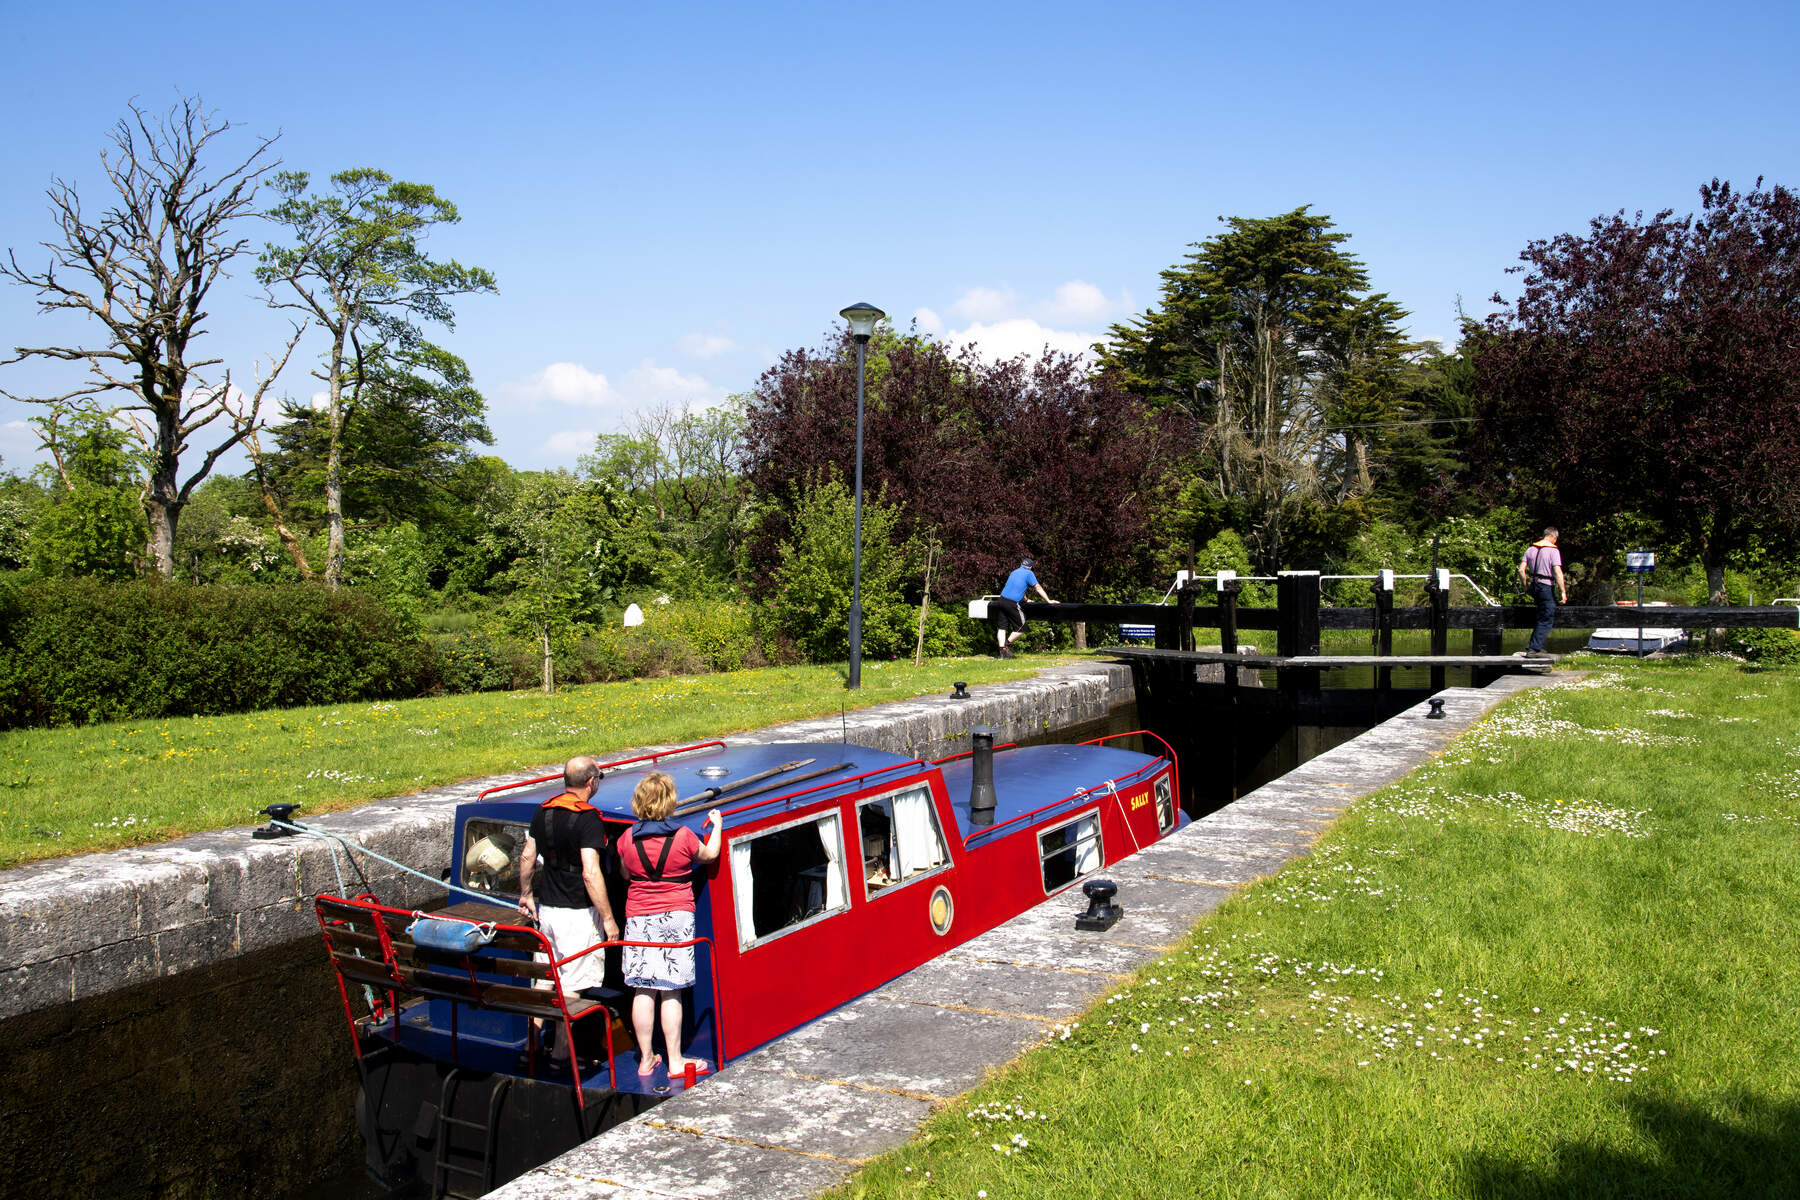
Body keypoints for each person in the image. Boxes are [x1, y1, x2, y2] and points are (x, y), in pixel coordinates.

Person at [615, 772, 723, 1078]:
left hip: (638, 917)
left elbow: (624, 874)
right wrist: (717, 826)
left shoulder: (627, 838)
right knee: (671, 990)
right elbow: (709, 855)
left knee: (642, 989)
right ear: (669, 801)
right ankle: (675, 1060)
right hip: (676, 917)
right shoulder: (685, 837)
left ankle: (646, 1058)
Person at [517, 755, 620, 1056]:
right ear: (591, 782)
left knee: (545, 979)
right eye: (599, 777)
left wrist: (526, 894)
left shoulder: (543, 811)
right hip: (576, 914)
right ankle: (562, 1053)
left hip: (547, 911)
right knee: (572, 984)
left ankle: (531, 1044)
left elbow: (527, 858)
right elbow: (590, 872)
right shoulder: (588, 819)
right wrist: (609, 918)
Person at [1517, 526, 1567, 656]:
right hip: (1545, 586)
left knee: (1541, 614)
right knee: (1546, 617)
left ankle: (1533, 645)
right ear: (1553, 537)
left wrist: (1525, 587)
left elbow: (1521, 570)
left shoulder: (1531, 549)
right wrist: (1563, 591)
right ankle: (1533, 648)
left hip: (1534, 586)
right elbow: (1557, 572)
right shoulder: (1553, 551)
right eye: (1556, 539)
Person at [992, 556, 1053, 658]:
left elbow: (1018, 587)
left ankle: (1002, 653)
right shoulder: (1029, 573)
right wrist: (1048, 601)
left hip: (1001, 600)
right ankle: (1006, 645)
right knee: (1022, 627)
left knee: (1002, 627)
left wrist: (1026, 599)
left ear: (1022, 564)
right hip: (1012, 603)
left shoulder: (1014, 572)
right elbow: (1038, 588)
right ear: (1030, 567)